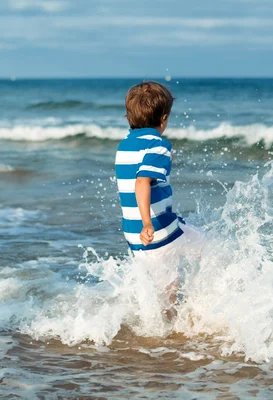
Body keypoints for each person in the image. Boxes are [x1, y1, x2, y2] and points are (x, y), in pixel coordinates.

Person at [115, 81, 204, 322]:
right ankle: (185, 323)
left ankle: (158, 331)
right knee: (206, 251)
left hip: (134, 234)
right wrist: (147, 222)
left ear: (128, 117)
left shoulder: (124, 146)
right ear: (163, 119)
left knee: (163, 284)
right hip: (157, 229)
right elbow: (142, 181)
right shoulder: (159, 145)